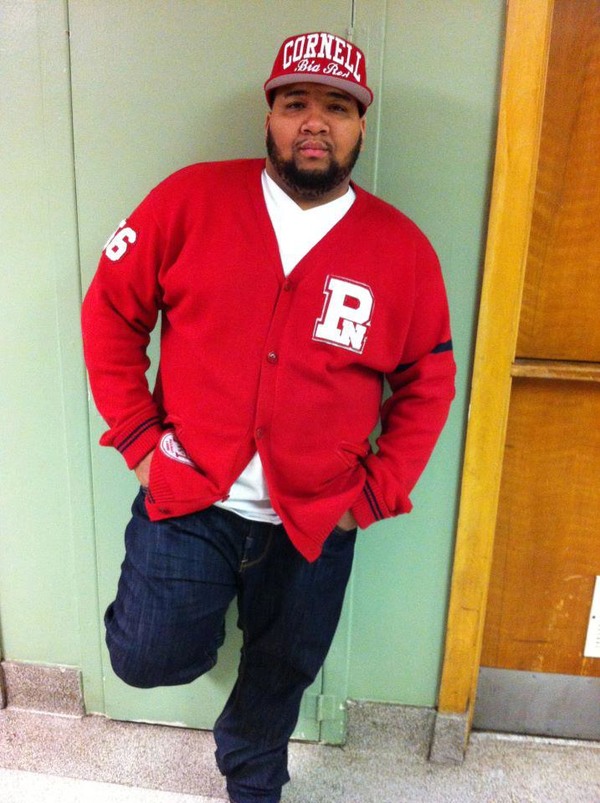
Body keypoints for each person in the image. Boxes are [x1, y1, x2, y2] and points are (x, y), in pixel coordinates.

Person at [81, 30, 456, 803]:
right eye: (295, 103)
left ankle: (253, 774)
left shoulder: (402, 249)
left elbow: (429, 379)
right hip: (191, 495)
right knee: (145, 654)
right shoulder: (190, 200)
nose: (314, 122)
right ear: (270, 118)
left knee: (283, 669)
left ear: (360, 126)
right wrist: (141, 441)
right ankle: (185, 619)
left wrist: (372, 494)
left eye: (337, 107)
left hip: (317, 513)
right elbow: (110, 310)